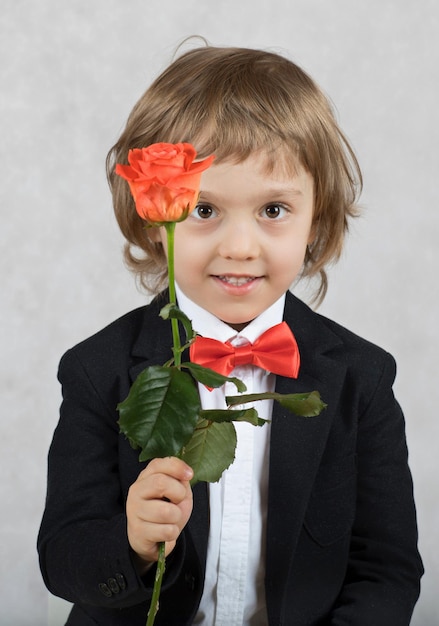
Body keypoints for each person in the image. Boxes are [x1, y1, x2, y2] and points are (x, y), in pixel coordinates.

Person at [37, 45, 423, 625]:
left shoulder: (362, 378)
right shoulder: (97, 369)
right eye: (203, 209)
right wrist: (135, 545)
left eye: (273, 210)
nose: (240, 247)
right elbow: (63, 560)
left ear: (316, 217)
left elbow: (387, 571)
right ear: (153, 211)